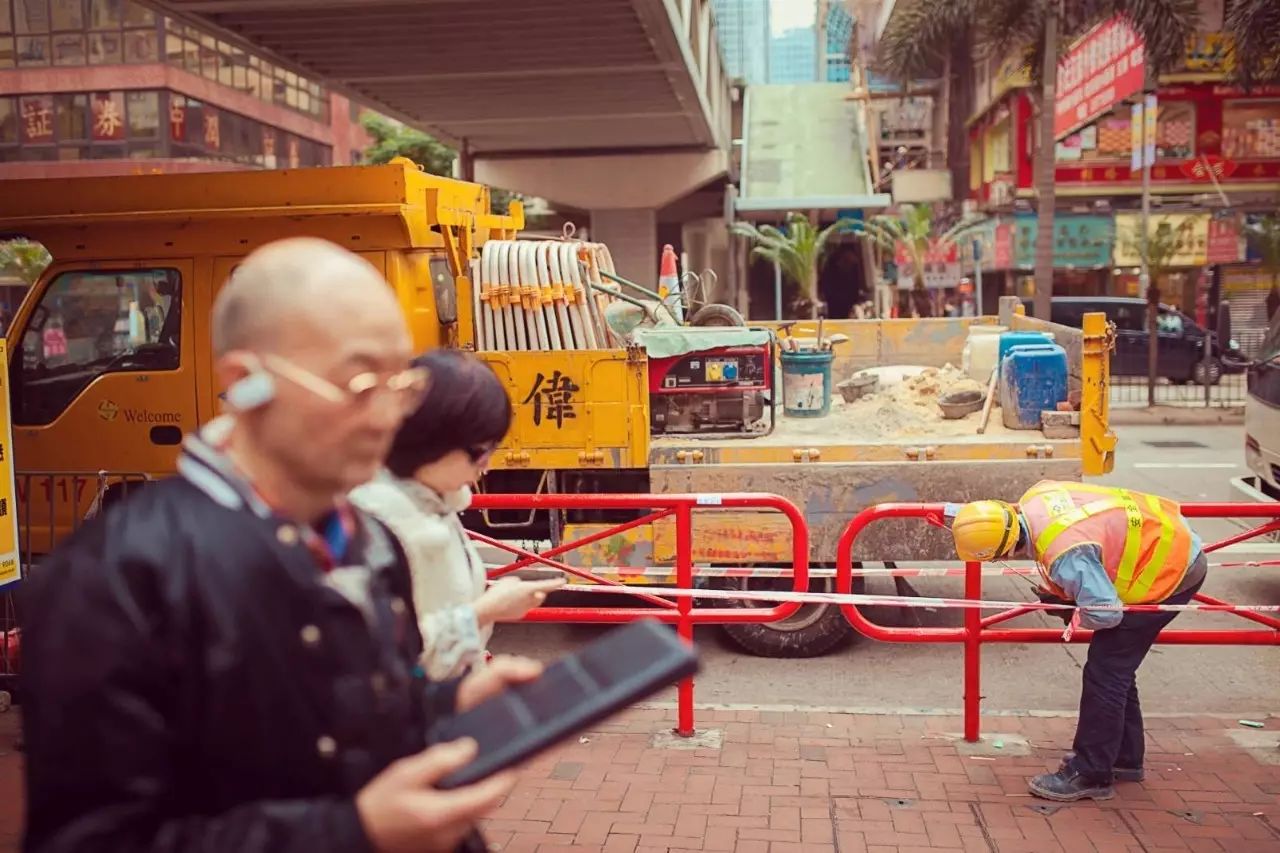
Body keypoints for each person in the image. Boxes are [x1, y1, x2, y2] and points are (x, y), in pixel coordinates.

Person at [22, 237, 544, 853]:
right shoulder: (118, 576)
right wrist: (357, 833)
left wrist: (447, 701)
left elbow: (350, 715)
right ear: (246, 383)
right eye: (357, 382)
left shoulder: (369, 539)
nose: (386, 418)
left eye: (400, 385)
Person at [949, 480, 1205, 803]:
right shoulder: (1034, 497)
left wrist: (1073, 612)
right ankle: (1124, 759)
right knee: (1116, 667)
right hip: (1172, 540)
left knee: (1106, 672)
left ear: (1001, 553)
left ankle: (1092, 772)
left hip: (1169, 569)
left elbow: (1107, 614)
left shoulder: (1063, 553)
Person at [351, 349, 564, 680]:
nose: (486, 466)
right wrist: (486, 611)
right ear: (432, 439)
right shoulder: (379, 523)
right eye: (479, 453)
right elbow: (391, 660)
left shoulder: (437, 502)